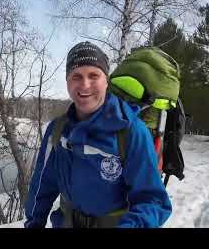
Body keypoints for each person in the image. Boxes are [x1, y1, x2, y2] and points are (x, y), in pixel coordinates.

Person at [24, 41, 172, 228]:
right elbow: (42, 186)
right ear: (67, 81)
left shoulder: (131, 131)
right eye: (76, 76)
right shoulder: (57, 130)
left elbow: (153, 202)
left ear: (106, 81)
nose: (85, 85)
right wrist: (33, 223)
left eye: (93, 75)